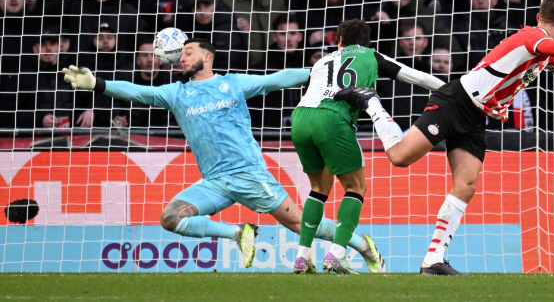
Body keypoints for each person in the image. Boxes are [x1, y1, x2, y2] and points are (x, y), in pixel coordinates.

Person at [334, 0, 554, 275]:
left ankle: (433, 260)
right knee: (400, 157)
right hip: (455, 101)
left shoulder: (545, 50)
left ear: (539, 15)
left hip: (477, 117)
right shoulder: (533, 38)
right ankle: (372, 103)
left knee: (467, 184)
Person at [62, 38, 384, 272]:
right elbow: (139, 92)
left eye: (189, 52)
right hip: (214, 182)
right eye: (181, 54)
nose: (182, 58)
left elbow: (276, 80)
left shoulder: (233, 84)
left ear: (208, 56)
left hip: (249, 174)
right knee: (170, 218)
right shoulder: (176, 92)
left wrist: (319, 72)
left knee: (300, 224)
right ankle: (238, 233)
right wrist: (97, 84)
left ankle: (360, 244)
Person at [290, 19, 444, 274]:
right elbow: (415, 77)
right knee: (356, 187)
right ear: (367, 42)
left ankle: (302, 257)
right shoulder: (371, 55)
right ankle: (337, 254)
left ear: (339, 41)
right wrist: (452, 90)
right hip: (332, 119)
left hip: (301, 119)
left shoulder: (321, 60)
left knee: (318, 188)